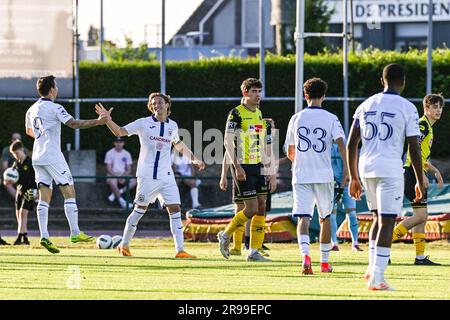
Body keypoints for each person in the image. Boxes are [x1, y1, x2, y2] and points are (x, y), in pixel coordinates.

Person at [95, 92, 205, 258]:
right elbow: (120, 131)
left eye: (160, 102)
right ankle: (124, 245)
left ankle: (179, 250)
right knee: (139, 210)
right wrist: (107, 120)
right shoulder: (143, 123)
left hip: (167, 176)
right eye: (153, 103)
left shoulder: (172, 125)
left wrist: (194, 159)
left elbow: (178, 144)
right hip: (147, 176)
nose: (156, 105)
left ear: (167, 105)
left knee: (175, 209)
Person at [347, 64, 424, 291]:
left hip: (365, 168)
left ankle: (371, 269)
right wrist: (419, 179)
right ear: (403, 81)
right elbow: (414, 147)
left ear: (382, 80)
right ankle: (377, 277)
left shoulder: (366, 104)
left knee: (377, 220)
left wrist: (353, 177)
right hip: (389, 168)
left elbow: (352, 143)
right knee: (388, 221)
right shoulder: (408, 107)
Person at [25, 75, 105, 254]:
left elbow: (29, 131)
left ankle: (44, 236)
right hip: (53, 155)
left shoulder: (31, 109)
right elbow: (74, 124)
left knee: (44, 194)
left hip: (37, 156)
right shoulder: (55, 108)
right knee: (69, 190)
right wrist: (99, 122)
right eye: (56, 86)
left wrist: (43, 136)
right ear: (52, 89)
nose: (57, 89)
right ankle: (75, 232)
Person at [285, 77, 347, 275]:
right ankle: (325, 263)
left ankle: (305, 257)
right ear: (324, 96)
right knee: (325, 218)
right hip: (324, 175)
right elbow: (342, 144)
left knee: (303, 218)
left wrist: (300, 161)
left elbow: (290, 151)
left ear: (306, 96)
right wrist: (347, 171)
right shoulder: (331, 118)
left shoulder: (296, 118)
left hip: (301, 175)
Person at [217, 78, 277, 262]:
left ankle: (253, 252)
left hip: (258, 167)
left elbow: (266, 147)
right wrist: (237, 167)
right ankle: (226, 235)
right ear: (245, 93)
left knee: (261, 207)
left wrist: (271, 172)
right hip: (243, 166)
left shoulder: (259, 114)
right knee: (249, 208)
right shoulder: (236, 113)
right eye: (254, 92)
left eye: (259, 91)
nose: (258, 95)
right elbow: (227, 142)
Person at [392, 93, 445, 266]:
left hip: (413, 172)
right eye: (434, 107)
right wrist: (420, 176)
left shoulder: (428, 127)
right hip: (411, 174)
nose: (438, 110)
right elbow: (413, 151)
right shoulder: (422, 125)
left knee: (420, 216)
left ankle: (420, 257)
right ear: (426, 108)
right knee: (422, 215)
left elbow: (421, 155)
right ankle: (383, 244)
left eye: (440, 107)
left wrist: (435, 171)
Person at [330, 141, 362, 251]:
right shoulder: (327, 146)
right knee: (332, 215)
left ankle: (355, 243)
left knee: (352, 213)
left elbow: (346, 168)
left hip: (345, 185)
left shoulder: (344, 145)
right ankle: (334, 243)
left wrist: (341, 186)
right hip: (331, 185)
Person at [3, 140, 37, 245]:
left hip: (30, 190)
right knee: (18, 214)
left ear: (22, 150)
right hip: (20, 190)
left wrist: (38, 192)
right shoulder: (16, 163)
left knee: (23, 213)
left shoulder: (31, 162)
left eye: (17, 153)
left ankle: (19, 237)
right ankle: (25, 237)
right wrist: (7, 181)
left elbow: (37, 177)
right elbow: (11, 175)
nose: (16, 156)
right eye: (14, 155)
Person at [105, 136, 137, 209]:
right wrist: (117, 176)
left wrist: (123, 176)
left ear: (123, 143)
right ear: (114, 143)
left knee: (134, 181)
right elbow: (109, 168)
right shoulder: (109, 153)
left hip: (123, 174)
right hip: (112, 174)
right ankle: (121, 201)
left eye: (120, 142)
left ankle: (118, 192)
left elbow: (129, 169)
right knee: (112, 182)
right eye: (117, 142)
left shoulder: (127, 154)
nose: (119, 144)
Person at [1, 132, 29, 199]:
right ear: (11, 140)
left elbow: (27, 166)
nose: (17, 140)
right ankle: (19, 198)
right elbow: (5, 166)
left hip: (22, 174)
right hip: (10, 174)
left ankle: (30, 199)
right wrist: (13, 174)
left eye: (18, 139)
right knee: (7, 183)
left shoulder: (25, 150)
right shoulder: (7, 150)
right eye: (14, 138)